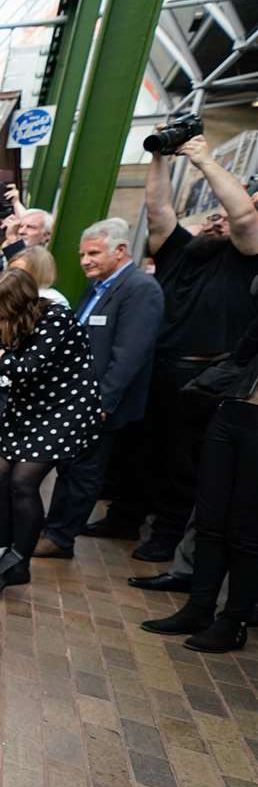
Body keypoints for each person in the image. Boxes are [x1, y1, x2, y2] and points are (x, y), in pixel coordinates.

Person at [94, 132, 258, 558]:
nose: (218, 219)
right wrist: (158, 156)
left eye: (225, 215)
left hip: (200, 375)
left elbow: (243, 217)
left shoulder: (245, 256)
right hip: (156, 368)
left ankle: (166, 535)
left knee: (181, 461)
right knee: (138, 448)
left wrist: (203, 159)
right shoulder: (183, 250)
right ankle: (125, 517)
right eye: (213, 215)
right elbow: (158, 208)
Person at [34, 219, 164, 559]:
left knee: (84, 472)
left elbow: (129, 354)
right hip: (75, 397)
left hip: (98, 404)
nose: (85, 261)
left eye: (94, 253)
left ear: (121, 251)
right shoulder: (97, 287)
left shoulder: (140, 289)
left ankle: (61, 538)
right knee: (68, 466)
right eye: (82, 255)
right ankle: (54, 527)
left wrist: (102, 402)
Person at [0, 267, 101, 585]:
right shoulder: (8, 319)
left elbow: (23, 369)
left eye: (2, 309)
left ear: (20, 303)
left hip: (63, 409)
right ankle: (0, 551)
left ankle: (19, 564)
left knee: (23, 483)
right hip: (26, 404)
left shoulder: (57, 318)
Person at [138, 304, 258, 651]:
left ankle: (233, 621)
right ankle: (199, 608)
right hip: (234, 406)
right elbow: (245, 348)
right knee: (209, 520)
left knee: (246, 529)